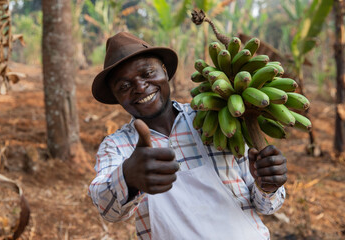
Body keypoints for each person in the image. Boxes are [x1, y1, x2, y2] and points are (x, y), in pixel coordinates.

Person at [89, 32, 287, 240]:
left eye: (147, 73)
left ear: (164, 72)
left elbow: (265, 206)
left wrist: (268, 185)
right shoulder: (117, 146)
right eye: (124, 86)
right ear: (116, 97)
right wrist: (128, 177)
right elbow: (106, 208)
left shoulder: (215, 120)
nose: (140, 87)